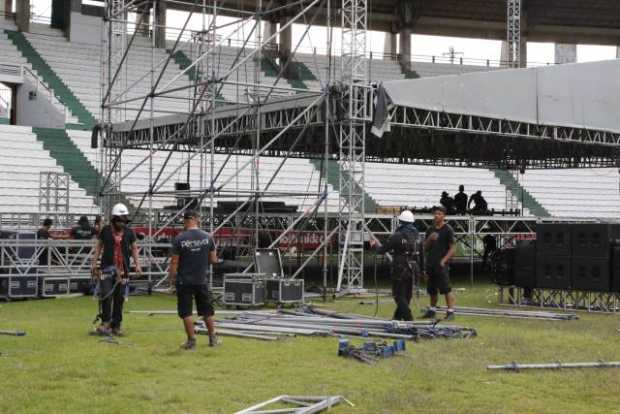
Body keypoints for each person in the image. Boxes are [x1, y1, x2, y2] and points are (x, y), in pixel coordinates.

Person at [169, 210, 220, 350]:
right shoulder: (208, 237)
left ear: (186, 220)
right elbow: (214, 260)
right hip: (201, 280)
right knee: (206, 311)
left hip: (184, 280)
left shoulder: (179, 238)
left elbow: (174, 262)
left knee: (185, 312)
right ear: (196, 219)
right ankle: (213, 338)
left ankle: (191, 341)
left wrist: (171, 279)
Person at [91, 203, 141, 336]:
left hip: (123, 271)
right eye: (119, 220)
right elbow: (98, 248)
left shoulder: (130, 232)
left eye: (124, 220)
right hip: (105, 270)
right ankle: (105, 323)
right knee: (106, 295)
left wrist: (137, 265)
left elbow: (135, 249)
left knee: (119, 298)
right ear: (114, 219)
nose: (122, 223)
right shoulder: (106, 230)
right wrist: (93, 264)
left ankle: (116, 326)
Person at [369, 210, 421, 321]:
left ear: (400, 222)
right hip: (414, 268)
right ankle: (397, 318)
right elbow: (421, 254)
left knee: (399, 295)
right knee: (407, 295)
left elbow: (382, 250)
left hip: (400, 268)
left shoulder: (397, 236)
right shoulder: (417, 236)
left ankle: (409, 320)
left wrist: (374, 245)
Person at [422, 206, 457, 320]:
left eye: (439, 213)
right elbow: (425, 248)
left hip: (441, 264)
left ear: (443, 216)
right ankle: (432, 310)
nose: (436, 215)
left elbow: (453, 249)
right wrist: (430, 239)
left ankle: (450, 312)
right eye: (435, 213)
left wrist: (443, 260)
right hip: (431, 263)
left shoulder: (448, 229)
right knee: (431, 289)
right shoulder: (430, 229)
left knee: (446, 288)